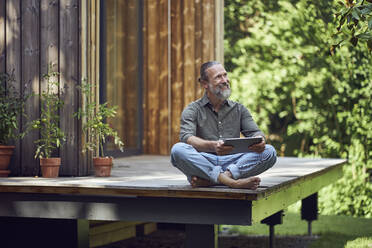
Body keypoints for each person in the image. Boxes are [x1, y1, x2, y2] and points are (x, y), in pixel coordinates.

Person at [170, 61, 277, 189]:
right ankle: (232, 182)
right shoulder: (192, 109)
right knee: (177, 150)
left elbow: (255, 132)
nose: (225, 80)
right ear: (205, 84)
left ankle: (216, 180)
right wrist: (213, 146)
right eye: (218, 77)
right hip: (204, 161)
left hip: (234, 163)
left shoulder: (239, 109)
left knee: (270, 151)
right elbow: (187, 137)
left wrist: (261, 140)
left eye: (225, 75)